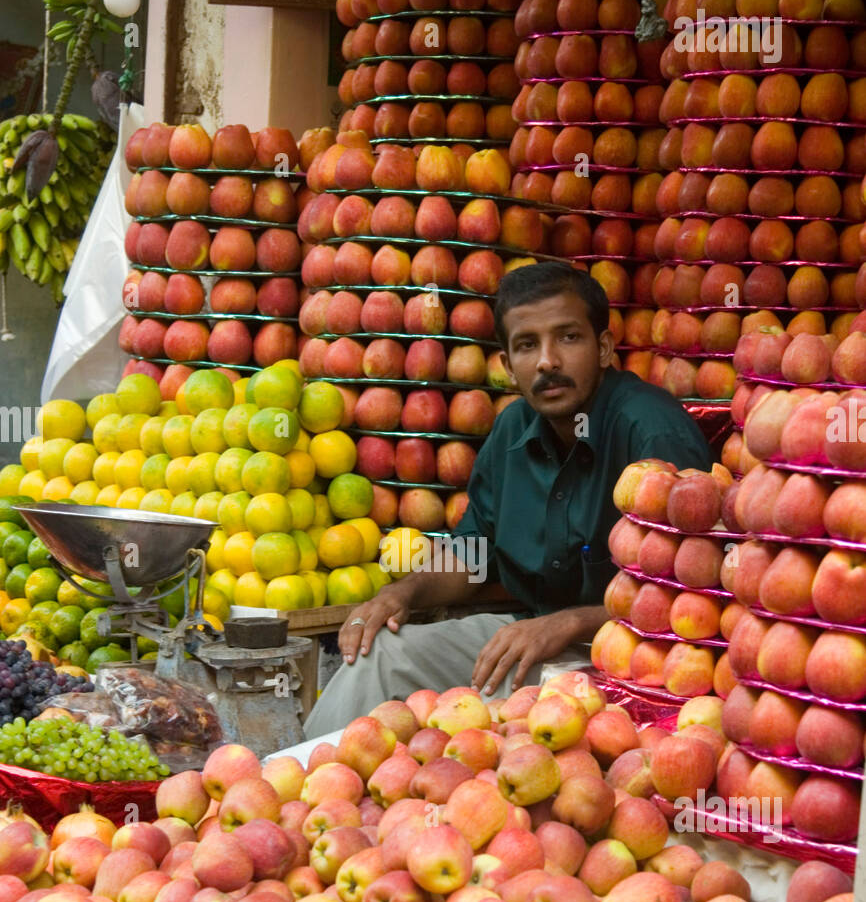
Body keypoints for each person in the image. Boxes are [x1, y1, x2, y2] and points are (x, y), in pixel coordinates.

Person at [305, 264, 712, 738]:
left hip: (631, 664)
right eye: (526, 346)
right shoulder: (512, 431)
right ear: (506, 364)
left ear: (603, 348)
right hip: (531, 644)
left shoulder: (651, 431)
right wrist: (402, 594)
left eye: (568, 339)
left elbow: (688, 597)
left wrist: (568, 624)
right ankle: (305, 794)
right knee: (378, 656)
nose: (547, 361)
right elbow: (474, 554)